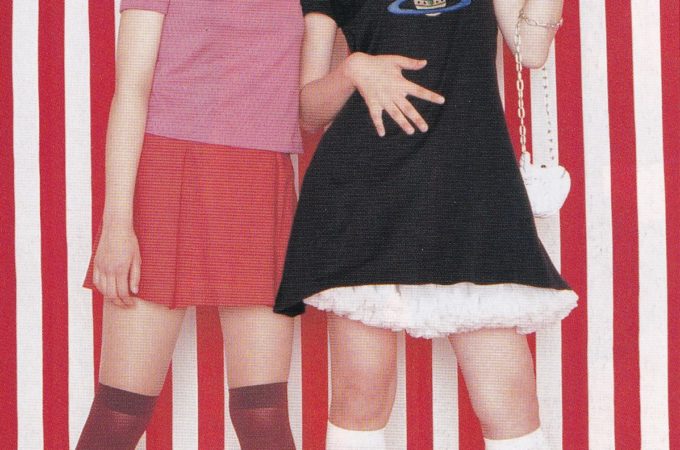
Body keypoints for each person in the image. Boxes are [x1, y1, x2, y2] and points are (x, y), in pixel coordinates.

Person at [274, 0, 577, 448]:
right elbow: (310, 110)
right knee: (362, 395)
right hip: (366, 197)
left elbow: (531, 50)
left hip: (470, 194)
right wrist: (355, 69)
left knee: (509, 402)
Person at [77, 1, 303, 449]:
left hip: (262, 182)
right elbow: (131, 91)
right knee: (120, 414)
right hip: (168, 176)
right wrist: (117, 224)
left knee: (263, 417)